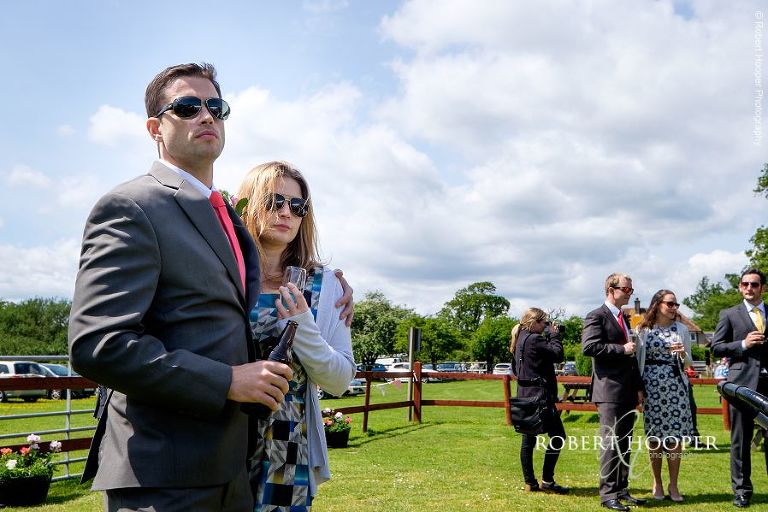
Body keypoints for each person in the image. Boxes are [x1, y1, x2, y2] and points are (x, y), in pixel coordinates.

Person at [68, 63, 351, 512]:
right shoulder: (132, 206)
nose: (206, 116)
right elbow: (98, 343)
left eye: (216, 107)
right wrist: (227, 381)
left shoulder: (227, 223)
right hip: (164, 471)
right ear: (154, 128)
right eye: (186, 106)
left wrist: (328, 283)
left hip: (232, 468)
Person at [237, 161, 357, 510]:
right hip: (222, 438)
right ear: (249, 202)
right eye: (274, 201)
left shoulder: (325, 285)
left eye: (297, 206)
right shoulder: (224, 275)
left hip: (287, 444)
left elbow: (339, 379)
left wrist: (303, 325)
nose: (286, 212)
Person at [582, 272, 646, 512]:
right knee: (611, 443)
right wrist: (622, 349)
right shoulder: (596, 316)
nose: (630, 292)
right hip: (608, 390)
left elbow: (632, 359)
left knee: (625, 442)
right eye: (626, 289)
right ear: (611, 289)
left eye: (631, 289)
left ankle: (621, 489)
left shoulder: (623, 317)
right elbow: (589, 347)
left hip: (628, 389)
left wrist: (639, 387)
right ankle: (608, 494)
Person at [712, 268, 768, 509]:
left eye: (754, 284)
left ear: (762, 288)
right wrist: (743, 344)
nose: (749, 288)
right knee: (741, 439)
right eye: (744, 284)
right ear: (739, 287)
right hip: (742, 384)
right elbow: (717, 347)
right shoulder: (729, 314)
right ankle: (742, 490)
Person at [635, 289, 694, 502]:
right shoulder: (643, 329)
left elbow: (689, 362)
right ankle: (657, 482)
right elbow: (637, 362)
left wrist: (682, 354)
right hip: (652, 388)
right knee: (654, 439)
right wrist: (638, 388)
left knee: (675, 439)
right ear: (657, 304)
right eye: (670, 304)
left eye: (676, 304)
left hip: (675, 386)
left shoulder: (681, 329)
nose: (674, 308)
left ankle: (674, 485)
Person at [509, 308, 568, 495]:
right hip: (540, 398)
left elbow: (517, 370)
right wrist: (554, 336)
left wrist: (549, 336)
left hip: (525, 395)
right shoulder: (534, 339)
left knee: (528, 439)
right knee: (558, 436)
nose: (546, 327)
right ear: (534, 322)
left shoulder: (520, 339)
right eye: (544, 323)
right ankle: (547, 481)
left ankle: (530, 483)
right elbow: (558, 355)